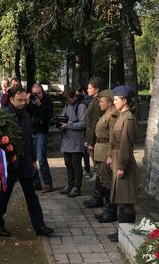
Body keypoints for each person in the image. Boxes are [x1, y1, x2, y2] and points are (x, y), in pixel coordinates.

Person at [0, 86, 54, 237]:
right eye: (19, 100)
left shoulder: (26, 115)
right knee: (4, 195)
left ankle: (39, 226)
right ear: (11, 99)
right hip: (10, 163)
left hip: (25, 162)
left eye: (24, 100)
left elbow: (29, 139)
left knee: (32, 196)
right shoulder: (3, 116)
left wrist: (33, 159)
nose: (22, 103)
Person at [106, 86, 138, 242]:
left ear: (124, 101)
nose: (114, 102)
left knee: (127, 200)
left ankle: (127, 233)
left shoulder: (129, 118)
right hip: (117, 159)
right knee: (121, 198)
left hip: (124, 162)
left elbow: (126, 144)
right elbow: (114, 140)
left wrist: (121, 167)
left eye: (116, 100)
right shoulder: (120, 116)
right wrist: (110, 156)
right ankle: (122, 231)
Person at [93, 90, 118, 223]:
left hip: (106, 151)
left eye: (102, 101)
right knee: (103, 180)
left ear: (109, 102)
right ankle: (107, 209)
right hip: (100, 150)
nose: (99, 104)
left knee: (108, 182)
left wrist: (110, 155)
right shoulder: (106, 114)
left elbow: (114, 138)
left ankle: (111, 211)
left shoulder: (113, 116)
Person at [57, 88, 87, 198]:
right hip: (67, 139)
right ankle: (70, 185)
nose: (68, 102)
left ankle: (77, 187)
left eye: (69, 100)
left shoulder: (81, 106)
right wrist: (59, 123)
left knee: (76, 164)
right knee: (68, 164)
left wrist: (68, 125)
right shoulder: (67, 106)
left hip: (76, 141)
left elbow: (83, 124)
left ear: (74, 97)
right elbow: (63, 118)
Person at [27, 82, 54, 192]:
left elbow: (47, 117)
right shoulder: (30, 101)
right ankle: (36, 182)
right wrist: (27, 103)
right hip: (31, 132)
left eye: (39, 93)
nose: (37, 95)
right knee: (31, 159)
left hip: (41, 132)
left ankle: (47, 183)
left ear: (42, 91)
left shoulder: (47, 101)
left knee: (41, 159)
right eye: (35, 93)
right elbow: (25, 114)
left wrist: (40, 105)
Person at [83, 77, 105, 207]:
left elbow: (95, 124)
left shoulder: (97, 103)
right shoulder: (94, 101)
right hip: (92, 139)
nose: (87, 89)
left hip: (95, 141)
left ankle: (99, 196)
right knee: (97, 168)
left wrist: (90, 142)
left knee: (99, 169)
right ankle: (97, 194)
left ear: (96, 89)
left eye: (90, 87)